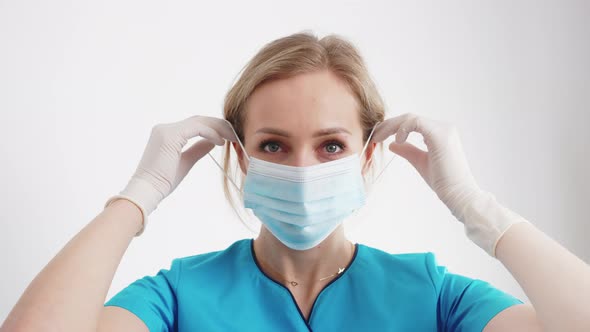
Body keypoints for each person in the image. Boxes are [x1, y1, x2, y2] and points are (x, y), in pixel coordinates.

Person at [2, 32, 589, 332]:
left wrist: (476, 206)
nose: (303, 171)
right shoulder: (177, 297)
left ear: (366, 158)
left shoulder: (434, 295)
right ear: (239, 158)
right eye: (273, 146)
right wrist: (139, 196)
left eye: (331, 145)